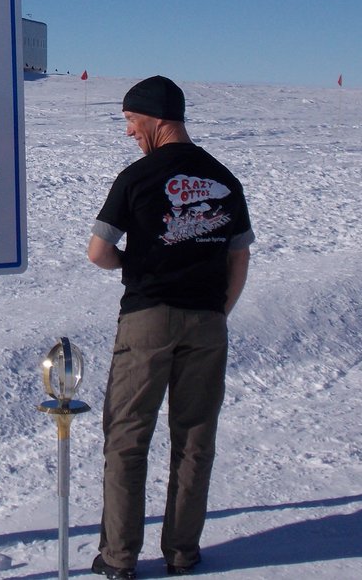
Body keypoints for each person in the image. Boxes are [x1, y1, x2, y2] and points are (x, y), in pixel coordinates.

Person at [87, 76, 253, 579]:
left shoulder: (136, 178)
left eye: (131, 122)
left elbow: (97, 252)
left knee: (128, 438)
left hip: (147, 320)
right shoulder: (224, 178)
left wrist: (129, 262)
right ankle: (182, 552)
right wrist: (216, 312)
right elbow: (239, 256)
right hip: (207, 323)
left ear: (157, 121)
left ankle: (118, 559)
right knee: (195, 438)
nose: (129, 133)